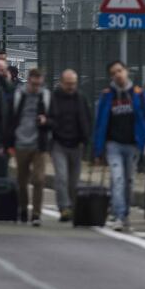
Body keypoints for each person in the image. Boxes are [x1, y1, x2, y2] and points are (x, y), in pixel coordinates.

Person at [92, 60, 145, 232]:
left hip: (132, 144)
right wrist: (98, 148)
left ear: (126, 71)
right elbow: (100, 122)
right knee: (117, 179)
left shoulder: (138, 94)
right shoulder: (107, 95)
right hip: (114, 144)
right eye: (113, 73)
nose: (117, 75)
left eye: (120, 71)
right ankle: (118, 215)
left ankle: (124, 212)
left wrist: (143, 136)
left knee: (129, 181)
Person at [6, 68, 51, 226]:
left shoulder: (45, 96)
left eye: (39, 84)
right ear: (29, 81)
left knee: (39, 179)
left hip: (39, 144)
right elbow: (11, 119)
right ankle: (23, 208)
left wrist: (46, 120)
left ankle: (36, 214)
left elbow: (54, 118)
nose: (36, 86)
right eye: (34, 83)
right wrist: (8, 142)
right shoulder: (20, 95)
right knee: (21, 180)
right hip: (21, 143)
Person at [48, 68, 91, 222]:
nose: (71, 86)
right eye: (68, 84)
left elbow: (87, 119)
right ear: (61, 83)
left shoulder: (81, 98)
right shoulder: (54, 98)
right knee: (61, 177)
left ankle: (73, 206)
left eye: (73, 83)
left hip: (77, 144)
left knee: (74, 180)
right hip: (59, 142)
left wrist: (86, 140)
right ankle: (64, 207)